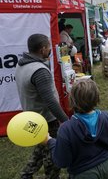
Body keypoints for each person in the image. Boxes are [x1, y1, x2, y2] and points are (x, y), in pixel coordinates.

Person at [15, 33, 69, 178]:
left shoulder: (22, 65)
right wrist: (66, 120)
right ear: (42, 49)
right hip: (45, 119)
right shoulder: (39, 71)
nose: (50, 50)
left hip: (31, 116)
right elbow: (50, 101)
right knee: (53, 151)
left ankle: (26, 174)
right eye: (49, 47)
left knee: (41, 145)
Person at [45, 79, 108, 178]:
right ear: (97, 97)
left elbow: (62, 161)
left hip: (83, 173)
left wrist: (50, 142)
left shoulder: (66, 129)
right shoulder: (106, 117)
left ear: (72, 100)